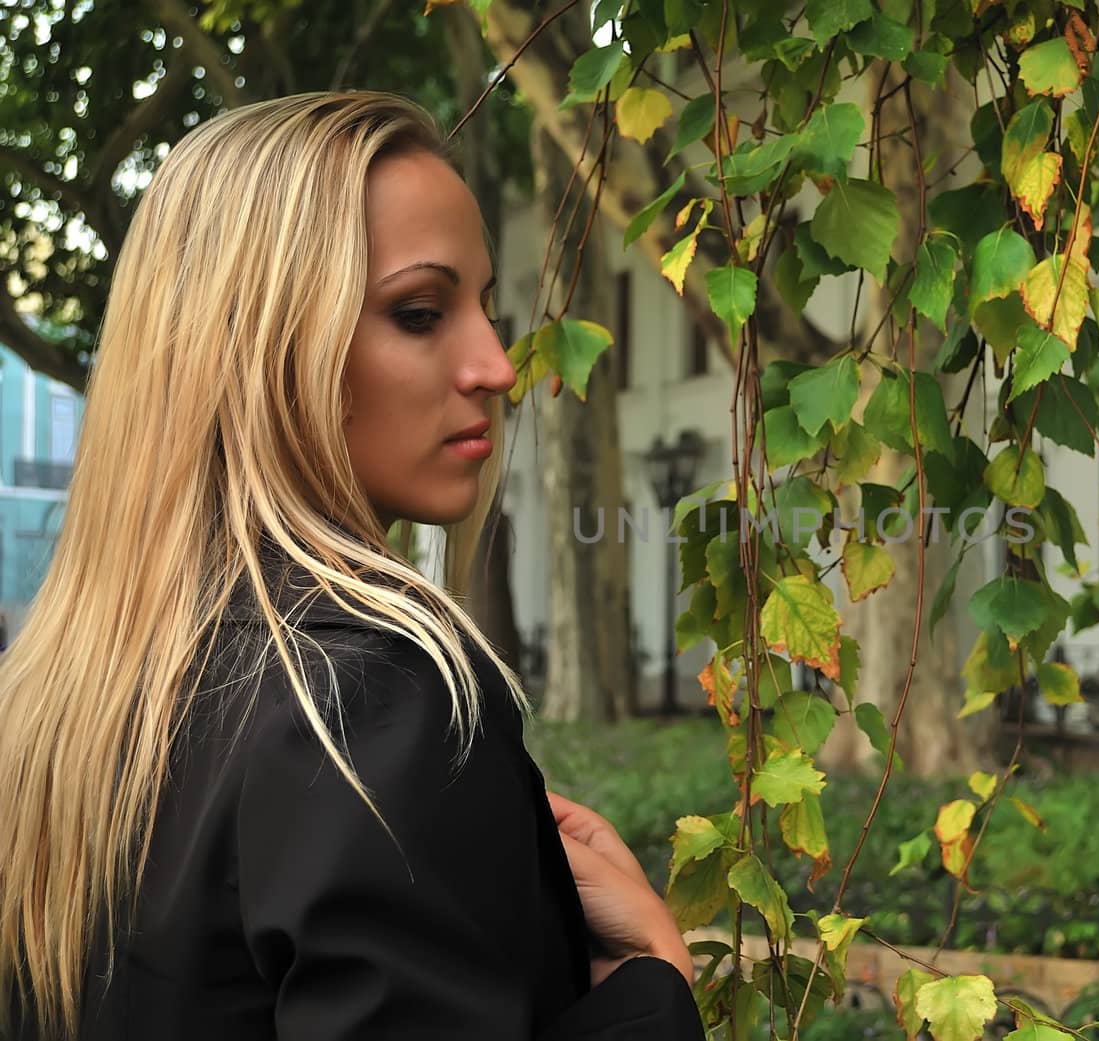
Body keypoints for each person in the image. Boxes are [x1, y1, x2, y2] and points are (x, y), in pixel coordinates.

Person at [0, 92, 702, 1040]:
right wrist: (652, 987)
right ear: (259, 349)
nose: (497, 365)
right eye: (420, 311)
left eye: (486, 306)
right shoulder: (371, 701)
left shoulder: (59, 702)